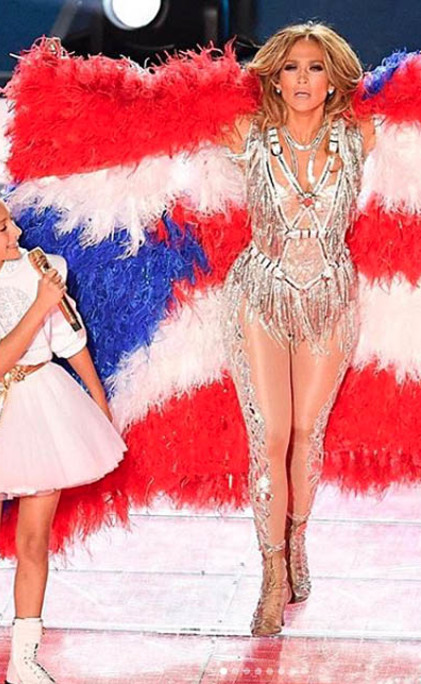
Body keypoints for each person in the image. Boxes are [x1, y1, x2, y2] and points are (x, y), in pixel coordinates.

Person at [0, 180, 127, 683]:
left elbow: (68, 338)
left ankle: (25, 658)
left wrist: (99, 403)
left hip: (44, 407)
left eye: (11, 222)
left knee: (35, 543)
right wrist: (40, 303)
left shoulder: (38, 267)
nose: (16, 232)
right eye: (3, 228)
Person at [224, 23, 376, 636]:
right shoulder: (245, 134)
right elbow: (156, 131)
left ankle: (296, 544)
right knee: (270, 434)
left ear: (334, 78)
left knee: (307, 433)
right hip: (260, 294)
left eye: (315, 67)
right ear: (274, 78)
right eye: (291, 68)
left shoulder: (362, 137)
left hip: (331, 298)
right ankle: (270, 575)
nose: (303, 79)